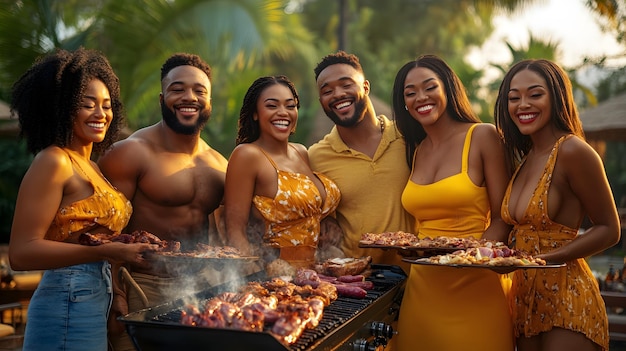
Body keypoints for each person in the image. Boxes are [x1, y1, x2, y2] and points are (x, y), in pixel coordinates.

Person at [8, 48, 156, 351]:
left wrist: (115, 291)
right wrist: (113, 252)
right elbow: (21, 253)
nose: (101, 114)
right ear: (61, 108)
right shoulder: (54, 161)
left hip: (93, 295)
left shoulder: (94, 168)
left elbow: (94, 241)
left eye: (106, 105)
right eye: (87, 104)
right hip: (66, 297)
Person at [98, 53, 228, 351]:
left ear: (209, 101)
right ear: (161, 98)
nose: (189, 97)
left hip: (199, 291)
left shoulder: (220, 164)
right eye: (177, 89)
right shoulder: (131, 152)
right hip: (141, 288)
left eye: (199, 91)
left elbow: (215, 232)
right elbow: (102, 231)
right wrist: (115, 294)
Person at [494, 58, 620, 351]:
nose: (523, 104)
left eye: (535, 94)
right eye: (514, 98)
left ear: (556, 96)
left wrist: (546, 259)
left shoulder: (573, 150)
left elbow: (610, 229)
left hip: (568, 297)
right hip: (525, 300)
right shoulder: (525, 159)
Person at [390, 54, 514, 350]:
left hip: (474, 282)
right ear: (404, 103)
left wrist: (471, 258)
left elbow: (502, 218)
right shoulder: (416, 149)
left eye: (429, 87)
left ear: (448, 89)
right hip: (422, 287)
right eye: (410, 93)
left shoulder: (482, 135)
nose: (421, 97)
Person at [224, 75, 341, 275]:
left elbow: (308, 211)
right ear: (255, 113)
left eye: (290, 106)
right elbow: (235, 229)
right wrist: (254, 275)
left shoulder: (301, 151)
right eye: (272, 106)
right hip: (274, 274)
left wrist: (329, 222)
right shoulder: (247, 155)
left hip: (318, 273)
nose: (283, 113)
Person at [308, 51, 414, 270]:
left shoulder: (408, 137)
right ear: (321, 101)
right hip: (360, 282)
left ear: (366, 87)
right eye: (327, 91)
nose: (337, 94)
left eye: (346, 84)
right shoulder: (316, 156)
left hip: (419, 273)